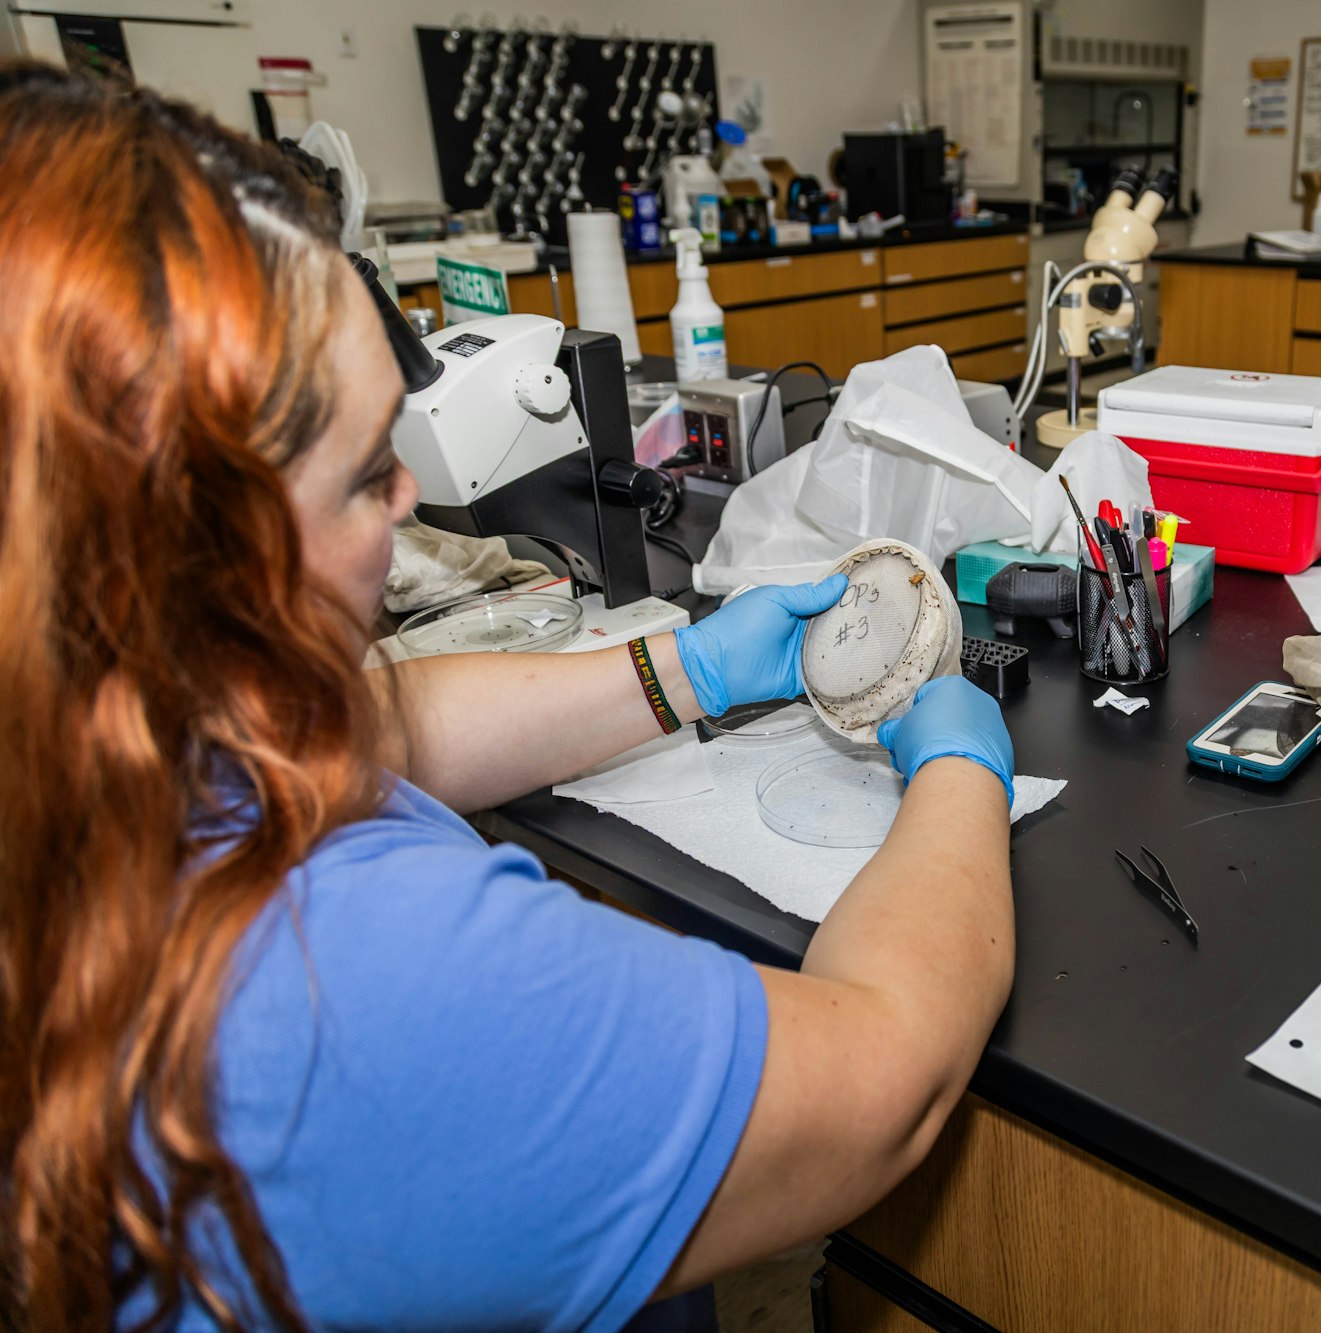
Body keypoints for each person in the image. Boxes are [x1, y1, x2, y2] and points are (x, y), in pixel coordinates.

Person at [0, 65, 1018, 1331]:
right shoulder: (344, 981)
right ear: (197, 543)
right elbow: (887, 1083)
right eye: (371, 469)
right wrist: (963, 766)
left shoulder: (94, 745)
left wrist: (684, 670)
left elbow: (372, 729)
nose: (407, 507)